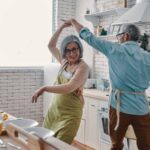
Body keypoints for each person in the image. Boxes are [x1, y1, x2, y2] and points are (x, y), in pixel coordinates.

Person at [63, 19, 150, 150]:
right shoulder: (147, 56)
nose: (118, 40)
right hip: (141, 109)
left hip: (119, 108)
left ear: (125, 36)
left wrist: (73, 22)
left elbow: (89, 37)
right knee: (146, 146)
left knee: (116, 145)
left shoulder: (114, 49)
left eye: (119, 36)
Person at [32, 22, 89, 144]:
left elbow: (69, 87)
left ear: (80, 49)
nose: (72, 53)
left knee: (59, 146)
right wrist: (61, 27)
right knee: (44, 143)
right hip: (54, 112)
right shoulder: (64, 62)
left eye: (75, 49)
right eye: (68, 50)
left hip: (70, 115)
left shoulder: (83, 67)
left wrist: (45, 88)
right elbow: (51, 46)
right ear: (64, 52)